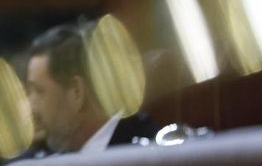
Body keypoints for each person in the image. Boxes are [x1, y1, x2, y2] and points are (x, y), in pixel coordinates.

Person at [13, 24, 158, 161]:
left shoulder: (155, 154)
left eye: (38, 91)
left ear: (76, 92)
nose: (31, 108)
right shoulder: (34, 159)